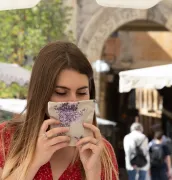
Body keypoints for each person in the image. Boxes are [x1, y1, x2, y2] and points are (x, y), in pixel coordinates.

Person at [0, 41, 119, 180]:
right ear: (41, 95)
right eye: (61, 92)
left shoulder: (101, 152)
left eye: (81, 93)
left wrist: (93, 173)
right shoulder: (6, 138)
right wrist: (33, 163)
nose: (73, 102)